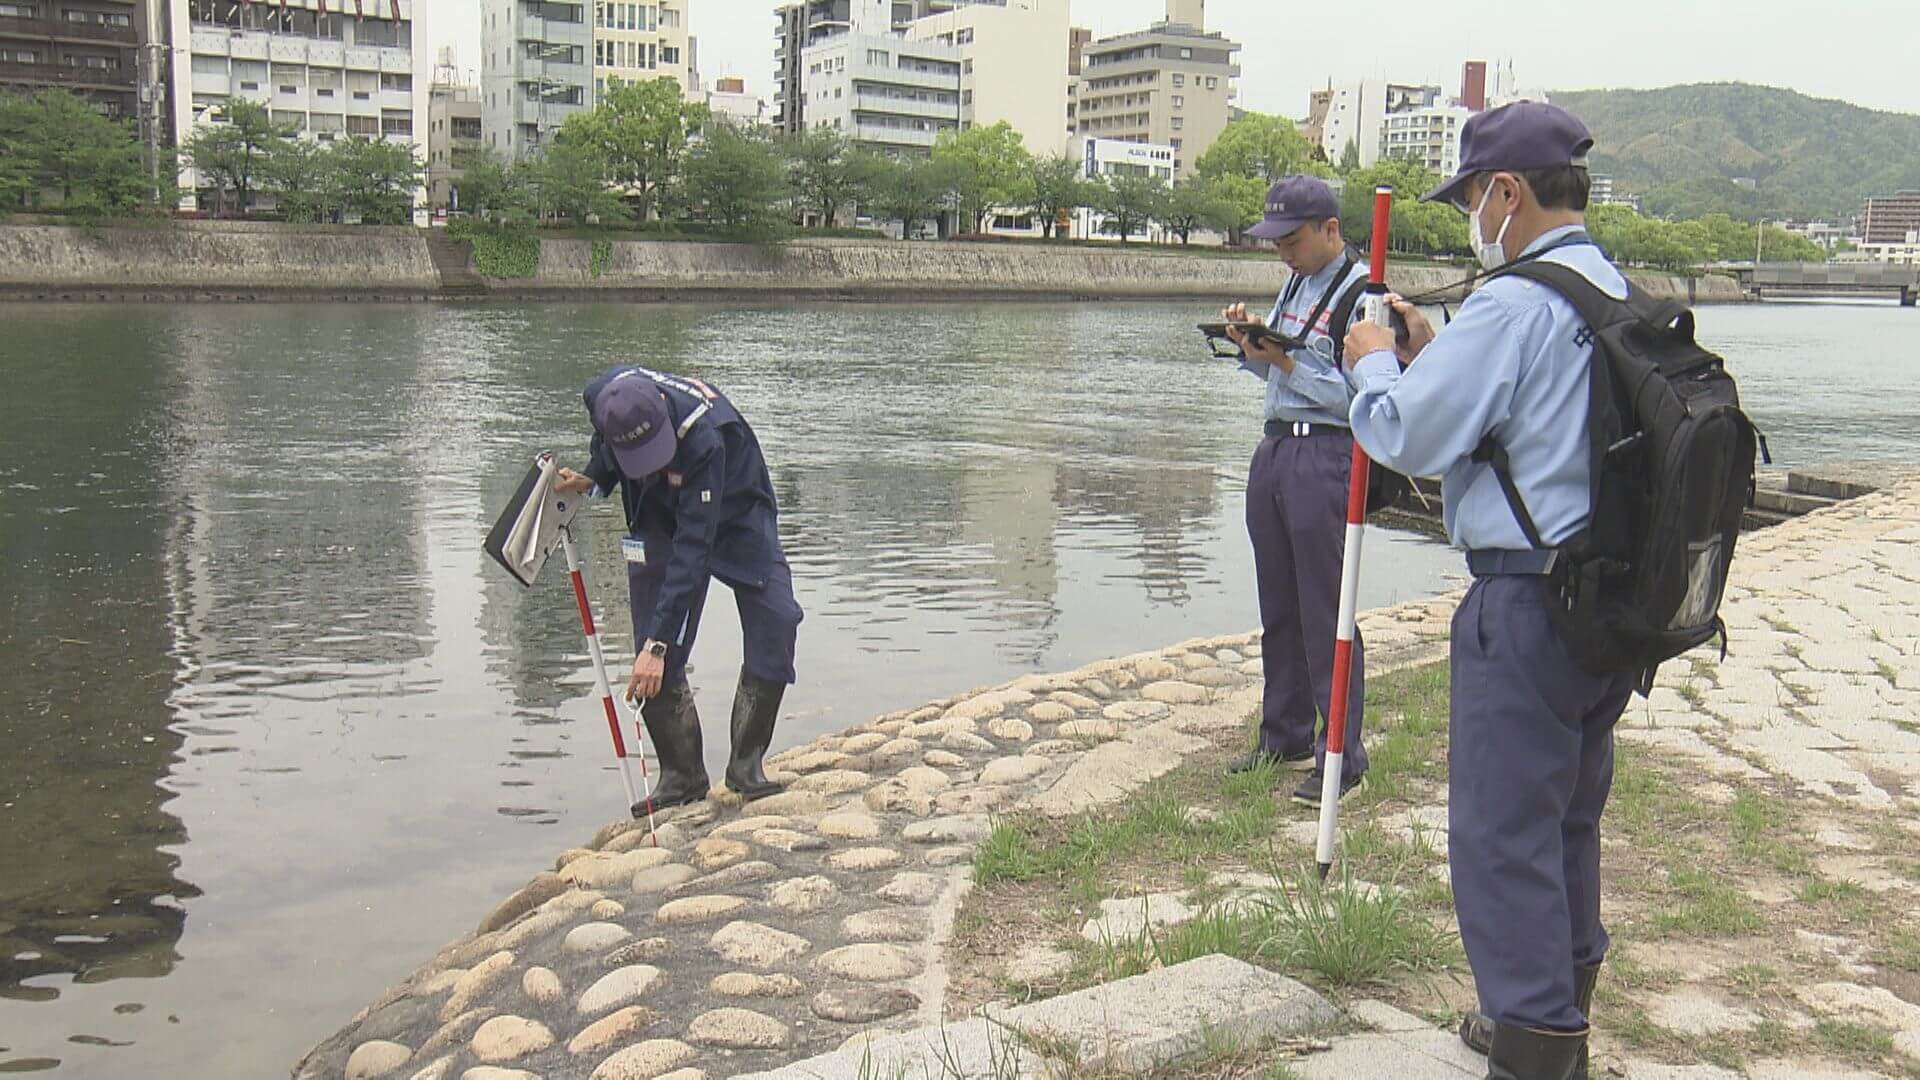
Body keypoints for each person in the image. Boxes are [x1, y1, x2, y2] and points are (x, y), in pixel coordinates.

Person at [1342, 102, 1629, 1080]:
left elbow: (1406, 437)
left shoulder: (1513, 302)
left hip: (1526, 605)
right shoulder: (1607, 287)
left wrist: (1374, 365)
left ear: (1505, 190)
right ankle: (1556, 1014)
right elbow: (1538, 428)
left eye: (1470, 194)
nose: (1471, 213)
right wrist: (1436, 358)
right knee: (1567, 820)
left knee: (1502, 835)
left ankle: (1535, 1049)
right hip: (1607, 606)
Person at [555, 365, 804, 811]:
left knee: (777, 618)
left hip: (735, 510)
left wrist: (661, 644)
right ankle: (682, 774)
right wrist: (597, 476)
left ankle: (746, 765)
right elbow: (606, 443)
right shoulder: (602, 396)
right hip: (656, 509)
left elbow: (693, 549)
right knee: (650, 638)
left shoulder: (704, 438)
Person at [1219, 174, 1370, 807]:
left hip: (1325, 451)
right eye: (1275, 240)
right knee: (1278, 604)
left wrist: (1282, 360)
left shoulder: (1363, 294)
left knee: (1325, 609)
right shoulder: (1294, 284)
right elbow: (1279, 371)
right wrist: (1250, 345)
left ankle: (1342, 753)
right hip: (1277, 446)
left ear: (1329, 230)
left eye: (1292, 238)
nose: (1282, 251)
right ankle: (1283, 732)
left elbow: (1362, 391)